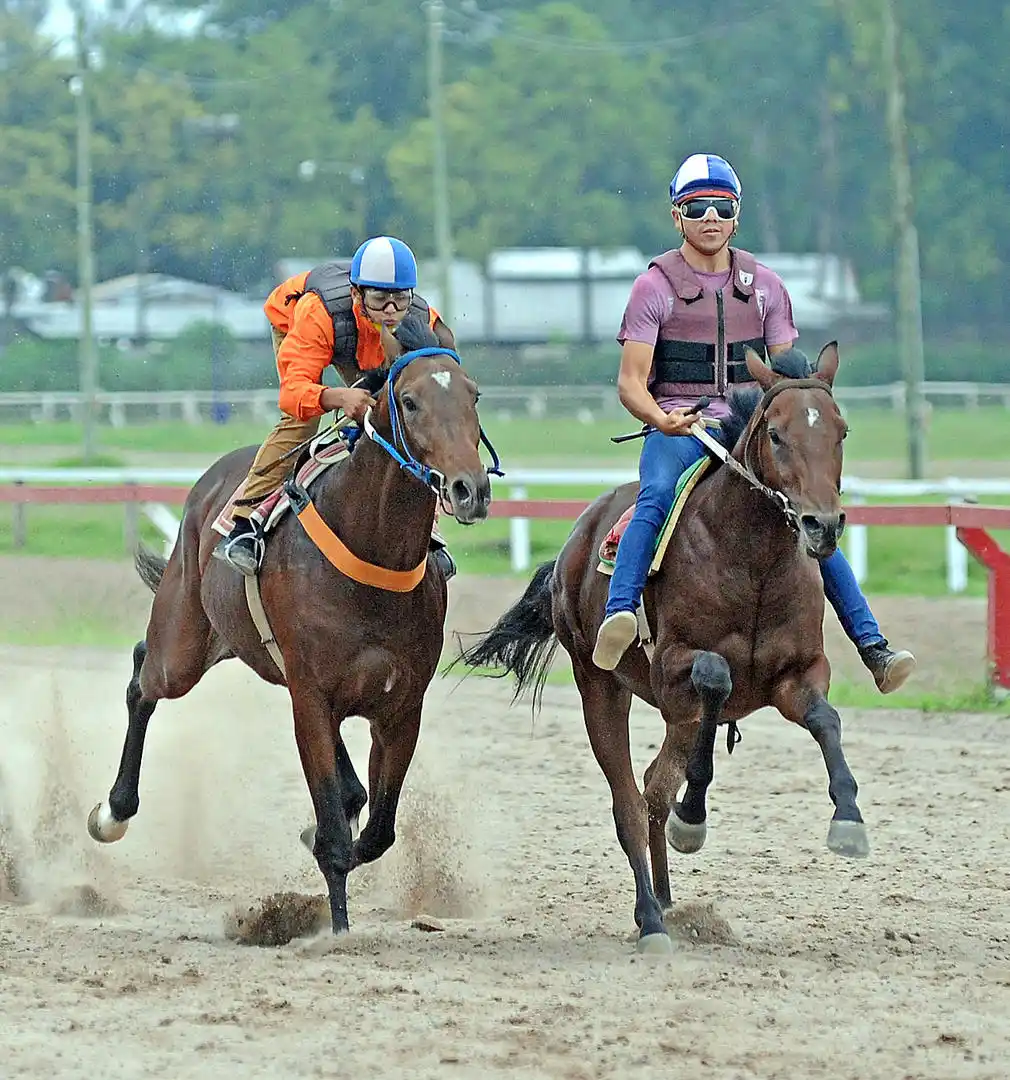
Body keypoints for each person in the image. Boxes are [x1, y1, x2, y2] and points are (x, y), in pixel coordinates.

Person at [591, 153, 916, 694]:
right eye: (697, 208)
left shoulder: (766, 287)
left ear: (737, 216)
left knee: (810, 515)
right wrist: (661, 420)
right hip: (681, 426)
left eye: (723, 207)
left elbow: (788, 376)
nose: (711, 217)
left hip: (749, 428)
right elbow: (630, 383)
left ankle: (873, 647)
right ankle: (619, 614)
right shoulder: (652, 287)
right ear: (678, 217)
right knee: (657, 493)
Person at [213, 235, 458, 579]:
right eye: (380, 298)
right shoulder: (318, 313)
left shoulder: (420, 319)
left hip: (361, 339)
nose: (391, 309)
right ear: (358, 294)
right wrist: (340, 397)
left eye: (400, 299)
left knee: (406, 418)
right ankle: (245, 523)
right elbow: (294, 394)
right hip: (300, 322)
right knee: (302, 421)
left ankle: (426, 527)